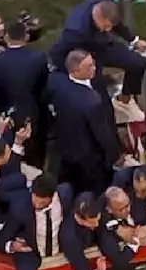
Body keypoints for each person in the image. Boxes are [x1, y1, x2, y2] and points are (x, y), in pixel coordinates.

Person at [49, 0, 146, 106]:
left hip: (103, 45)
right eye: (105, 26)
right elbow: (58, 53)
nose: (108, 30)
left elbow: (117, 24)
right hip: (84, 53)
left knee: (137, 63)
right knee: (98, 93)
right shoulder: (75, 31)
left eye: (110, 27)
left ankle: (125, 101)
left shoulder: (106, 0)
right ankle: (104, 113)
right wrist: (73, 74)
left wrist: (134, 40)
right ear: (98, 16)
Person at [49, 50, 122, 196]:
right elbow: (102, 134)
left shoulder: (58, 87)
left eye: (93, 64)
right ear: (76, 70)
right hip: (90, 159)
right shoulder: (91, 102)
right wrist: (116, 155)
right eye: (89, 66)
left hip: (67, 153)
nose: (94, 68)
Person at [0, 21, 49, 165]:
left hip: (7, 118)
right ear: (26, 37)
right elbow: (45, 87)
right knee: (36, 155)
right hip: (35, 115)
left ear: (6, 38)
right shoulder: (39, 58)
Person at [0, 175, 74, 270]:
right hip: (33, 255)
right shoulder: (19, 208)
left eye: (42, 203)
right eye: (35, 200)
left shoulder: (65, 194)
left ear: (52, 197)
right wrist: (12, 246)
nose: (37, 205)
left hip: (61, 252)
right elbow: (2, 239)